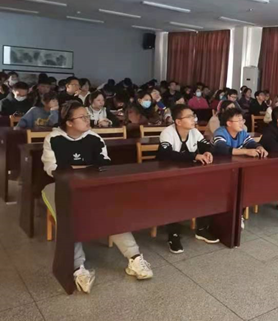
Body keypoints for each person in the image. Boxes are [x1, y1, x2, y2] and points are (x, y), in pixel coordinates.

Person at [41, 101, 153, 293]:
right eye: (82, 117)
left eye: (88, 116)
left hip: (91, 185)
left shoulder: (94, 138)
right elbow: (52, 168)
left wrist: (75, 168)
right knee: (69, 216)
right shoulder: (53, 139)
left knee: (111, 209)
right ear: (69, 122)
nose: (88, 120)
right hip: (61, 186)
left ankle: (134, 258)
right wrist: (84, 168)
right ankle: (78, 267)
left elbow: (104, 164)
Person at [157, 105, 219, 253]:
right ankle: (173, 234)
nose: (193, 119)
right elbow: (166, 155)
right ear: (178, 121)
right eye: (189, 117)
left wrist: (208, 152)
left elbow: (206, 145)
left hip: (189, 175)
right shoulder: (167, 133)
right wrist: (194, 156)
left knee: (210, 190)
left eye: (193, 116)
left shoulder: (194, 132)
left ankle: (201, 229)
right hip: (168, 176)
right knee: (175, 195)